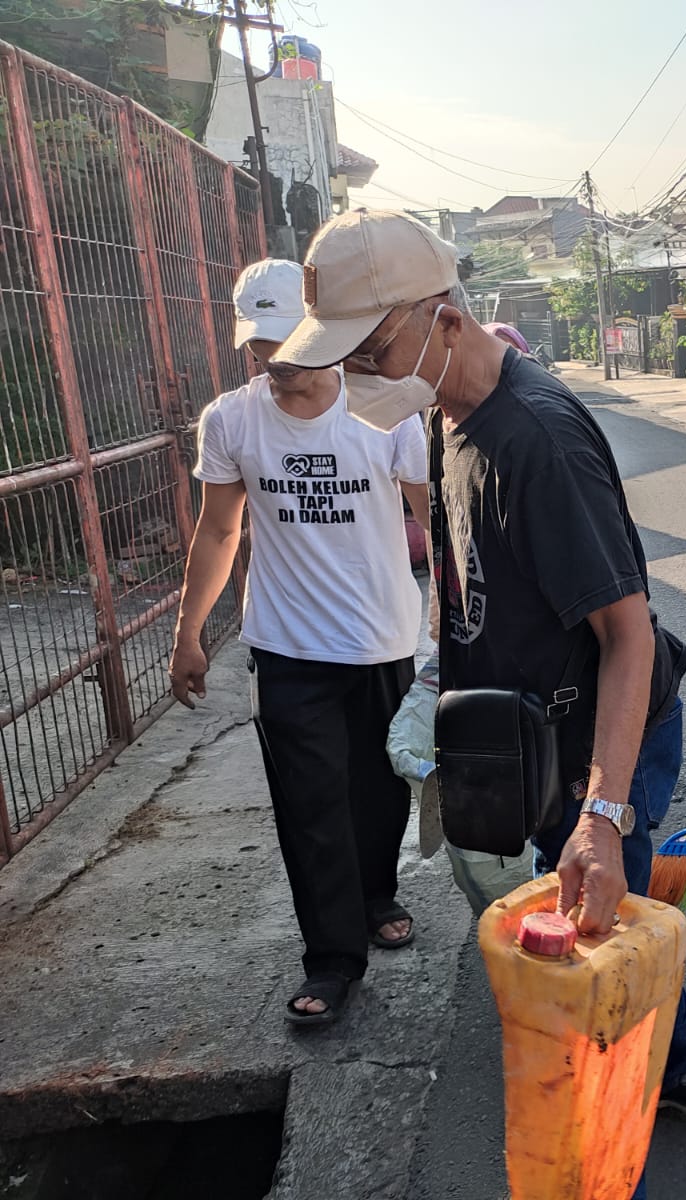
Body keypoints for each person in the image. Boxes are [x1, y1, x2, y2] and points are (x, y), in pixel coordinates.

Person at [271, 211, 686, 1145]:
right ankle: (680, 1069)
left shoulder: (538, 442)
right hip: (533, 734)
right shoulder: (448, 415)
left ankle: (621, 1121)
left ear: (441, 318)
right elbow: (467, 578)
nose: (349, 376)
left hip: (605, 733)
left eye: (367, 349)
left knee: (597, 932)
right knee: (605, 918)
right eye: (339, 355)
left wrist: (602, 816)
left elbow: (628, 637)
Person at [168, 259, 429, 1027]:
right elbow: (219, 531)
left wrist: (457, 612)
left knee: (379, 793)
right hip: (286, 648)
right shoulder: (232, 420)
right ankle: (333, 958)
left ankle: (377, 892)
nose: (274, 365)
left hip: (383, 637)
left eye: (288, 347)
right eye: (258, 350)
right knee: (309, 805)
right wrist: (189, 634)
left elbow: (437, 519)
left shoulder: (386, 413)